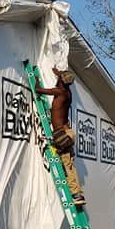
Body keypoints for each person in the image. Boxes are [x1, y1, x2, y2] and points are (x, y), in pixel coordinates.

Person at [35, 67, 86, 206]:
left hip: (63, 134)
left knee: (66, 164)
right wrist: (59, 73)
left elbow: (38, 90)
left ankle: (76, 194)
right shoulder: (67, 92)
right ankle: (78, 193)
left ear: (61, 82)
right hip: (66, 132)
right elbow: (62, 80)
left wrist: (37, 79)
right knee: (69, 164)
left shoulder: (60, 92)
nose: (57, 79)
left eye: (59, 79)